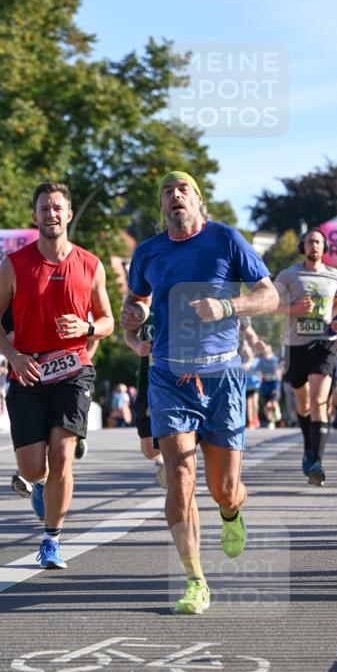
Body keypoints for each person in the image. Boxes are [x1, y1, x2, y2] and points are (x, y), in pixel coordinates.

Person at [121, 171, 278, 615]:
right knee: (179, 476)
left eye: (183, 190)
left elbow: (268, 296)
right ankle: (195, 579)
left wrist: (227, 305)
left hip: (222, 375)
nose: (175, 196)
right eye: (167, 192)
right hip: (169, 376)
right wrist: (134, 317)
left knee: (224, 489)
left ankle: (231, 512)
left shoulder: (225, 240)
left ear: (197, 199)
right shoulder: (148, 252)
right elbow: (136, 302)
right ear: (161, 206)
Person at [0, 181, 114, 569]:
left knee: (62, 457)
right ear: (35, 216)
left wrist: (87, 329)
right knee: (32, 468)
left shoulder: (91, 264)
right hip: (28, 372)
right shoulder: (14, 265)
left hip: (73, 370)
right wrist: (13, 356)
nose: (51, 213)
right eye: (44, 208)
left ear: (68, 214)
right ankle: (39, 485)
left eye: (57, 207)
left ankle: (51, 539)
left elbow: (106, 320)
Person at [274, 227, 337, 485]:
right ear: (302, 247)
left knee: (318, 402)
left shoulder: (335, 276)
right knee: (303, 404)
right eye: (309, 242)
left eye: (318, 242)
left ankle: (317, 462)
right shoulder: (288, 275)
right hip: (295, 346)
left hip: (324, 344)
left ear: (324, 247)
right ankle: (308, 447)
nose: (314, 246)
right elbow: (270, 303)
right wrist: (293, 308)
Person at [123, 310, 167, 489]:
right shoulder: (143, 302)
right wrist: (137, 345)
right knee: (150, 450)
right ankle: (161, 459)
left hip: (178, 380)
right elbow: (129, 333)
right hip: (147, 381)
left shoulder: (184, 299)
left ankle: (176, 465)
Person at [258, 341, 283, 428]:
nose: (265, 348)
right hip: (265, 385)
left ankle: (277, 416)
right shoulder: (261, 361)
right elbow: (258, 372)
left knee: (273, 403)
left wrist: (276, 387)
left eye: (266, 346)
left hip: (274, 384)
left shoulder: (275, 360)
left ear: (270, 348)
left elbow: (279, 374)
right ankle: (271, 421)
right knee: (267, 406)